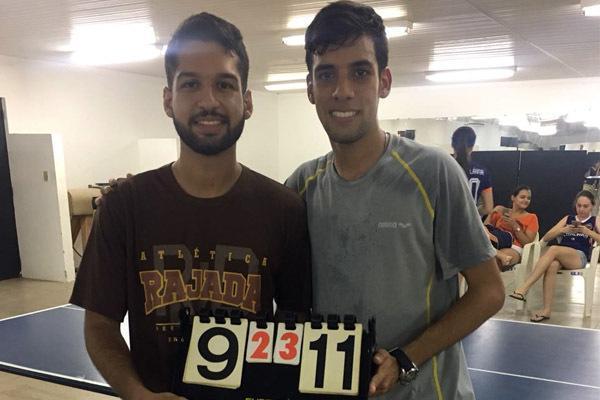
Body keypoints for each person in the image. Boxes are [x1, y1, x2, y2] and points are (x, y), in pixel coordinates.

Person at [69, 13, 311, 400]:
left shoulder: (284, 209)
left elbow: (296, 324)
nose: (208, 101)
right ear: (169, 99)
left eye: (225, 85)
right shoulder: (124, 207)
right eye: (191, 84)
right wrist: (137, 393)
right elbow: (99, 325)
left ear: (247, 102)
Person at [285, 2, 505, 399]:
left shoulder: (434, 173)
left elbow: (489, 291)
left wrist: (406, 358)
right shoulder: (301, 186)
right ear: (310, 88)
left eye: (360, 72)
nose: (343, 91)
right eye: (326, 74)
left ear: (383, 81)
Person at [510, 190, 599, 322]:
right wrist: (563, 229)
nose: (581, 209)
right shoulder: (568, 218)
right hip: (561, 255)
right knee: (552, 265)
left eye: (585, 206)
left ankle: (524, 287)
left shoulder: (594, 220)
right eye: (579, 206)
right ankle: (546, 310)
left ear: (592, 206)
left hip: (579, 256)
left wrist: (587, 231)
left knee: (553, 249)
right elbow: (546, 237)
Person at [484, 186, 538, 270]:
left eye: (528, 198)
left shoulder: (532, 217)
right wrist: (492, 213)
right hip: (494, 242)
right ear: (513, 198)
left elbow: (527, 243)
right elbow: (484, 228)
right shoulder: (502, 210)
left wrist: (515, 226)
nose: (526, 200)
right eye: (522, 197)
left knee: (492, 261)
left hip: (514, 247)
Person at [451, 126, 494, 217]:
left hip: (446, 222)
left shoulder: (443, 167)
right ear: (472, 146)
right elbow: (488, 208)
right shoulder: (482, 172)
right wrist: (474, 212)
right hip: (470, 225)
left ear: (452, 144)